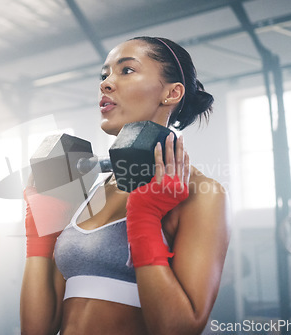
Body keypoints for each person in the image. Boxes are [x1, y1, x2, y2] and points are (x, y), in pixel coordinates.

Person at [20, 36, 230, 334]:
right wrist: (38, 230)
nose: (106, 83)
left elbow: (179, 328)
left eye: (126, 70)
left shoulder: (202, 194)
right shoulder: (89, 193)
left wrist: (144, 217)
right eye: (104, 75)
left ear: (172, 93)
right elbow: (36, 329)